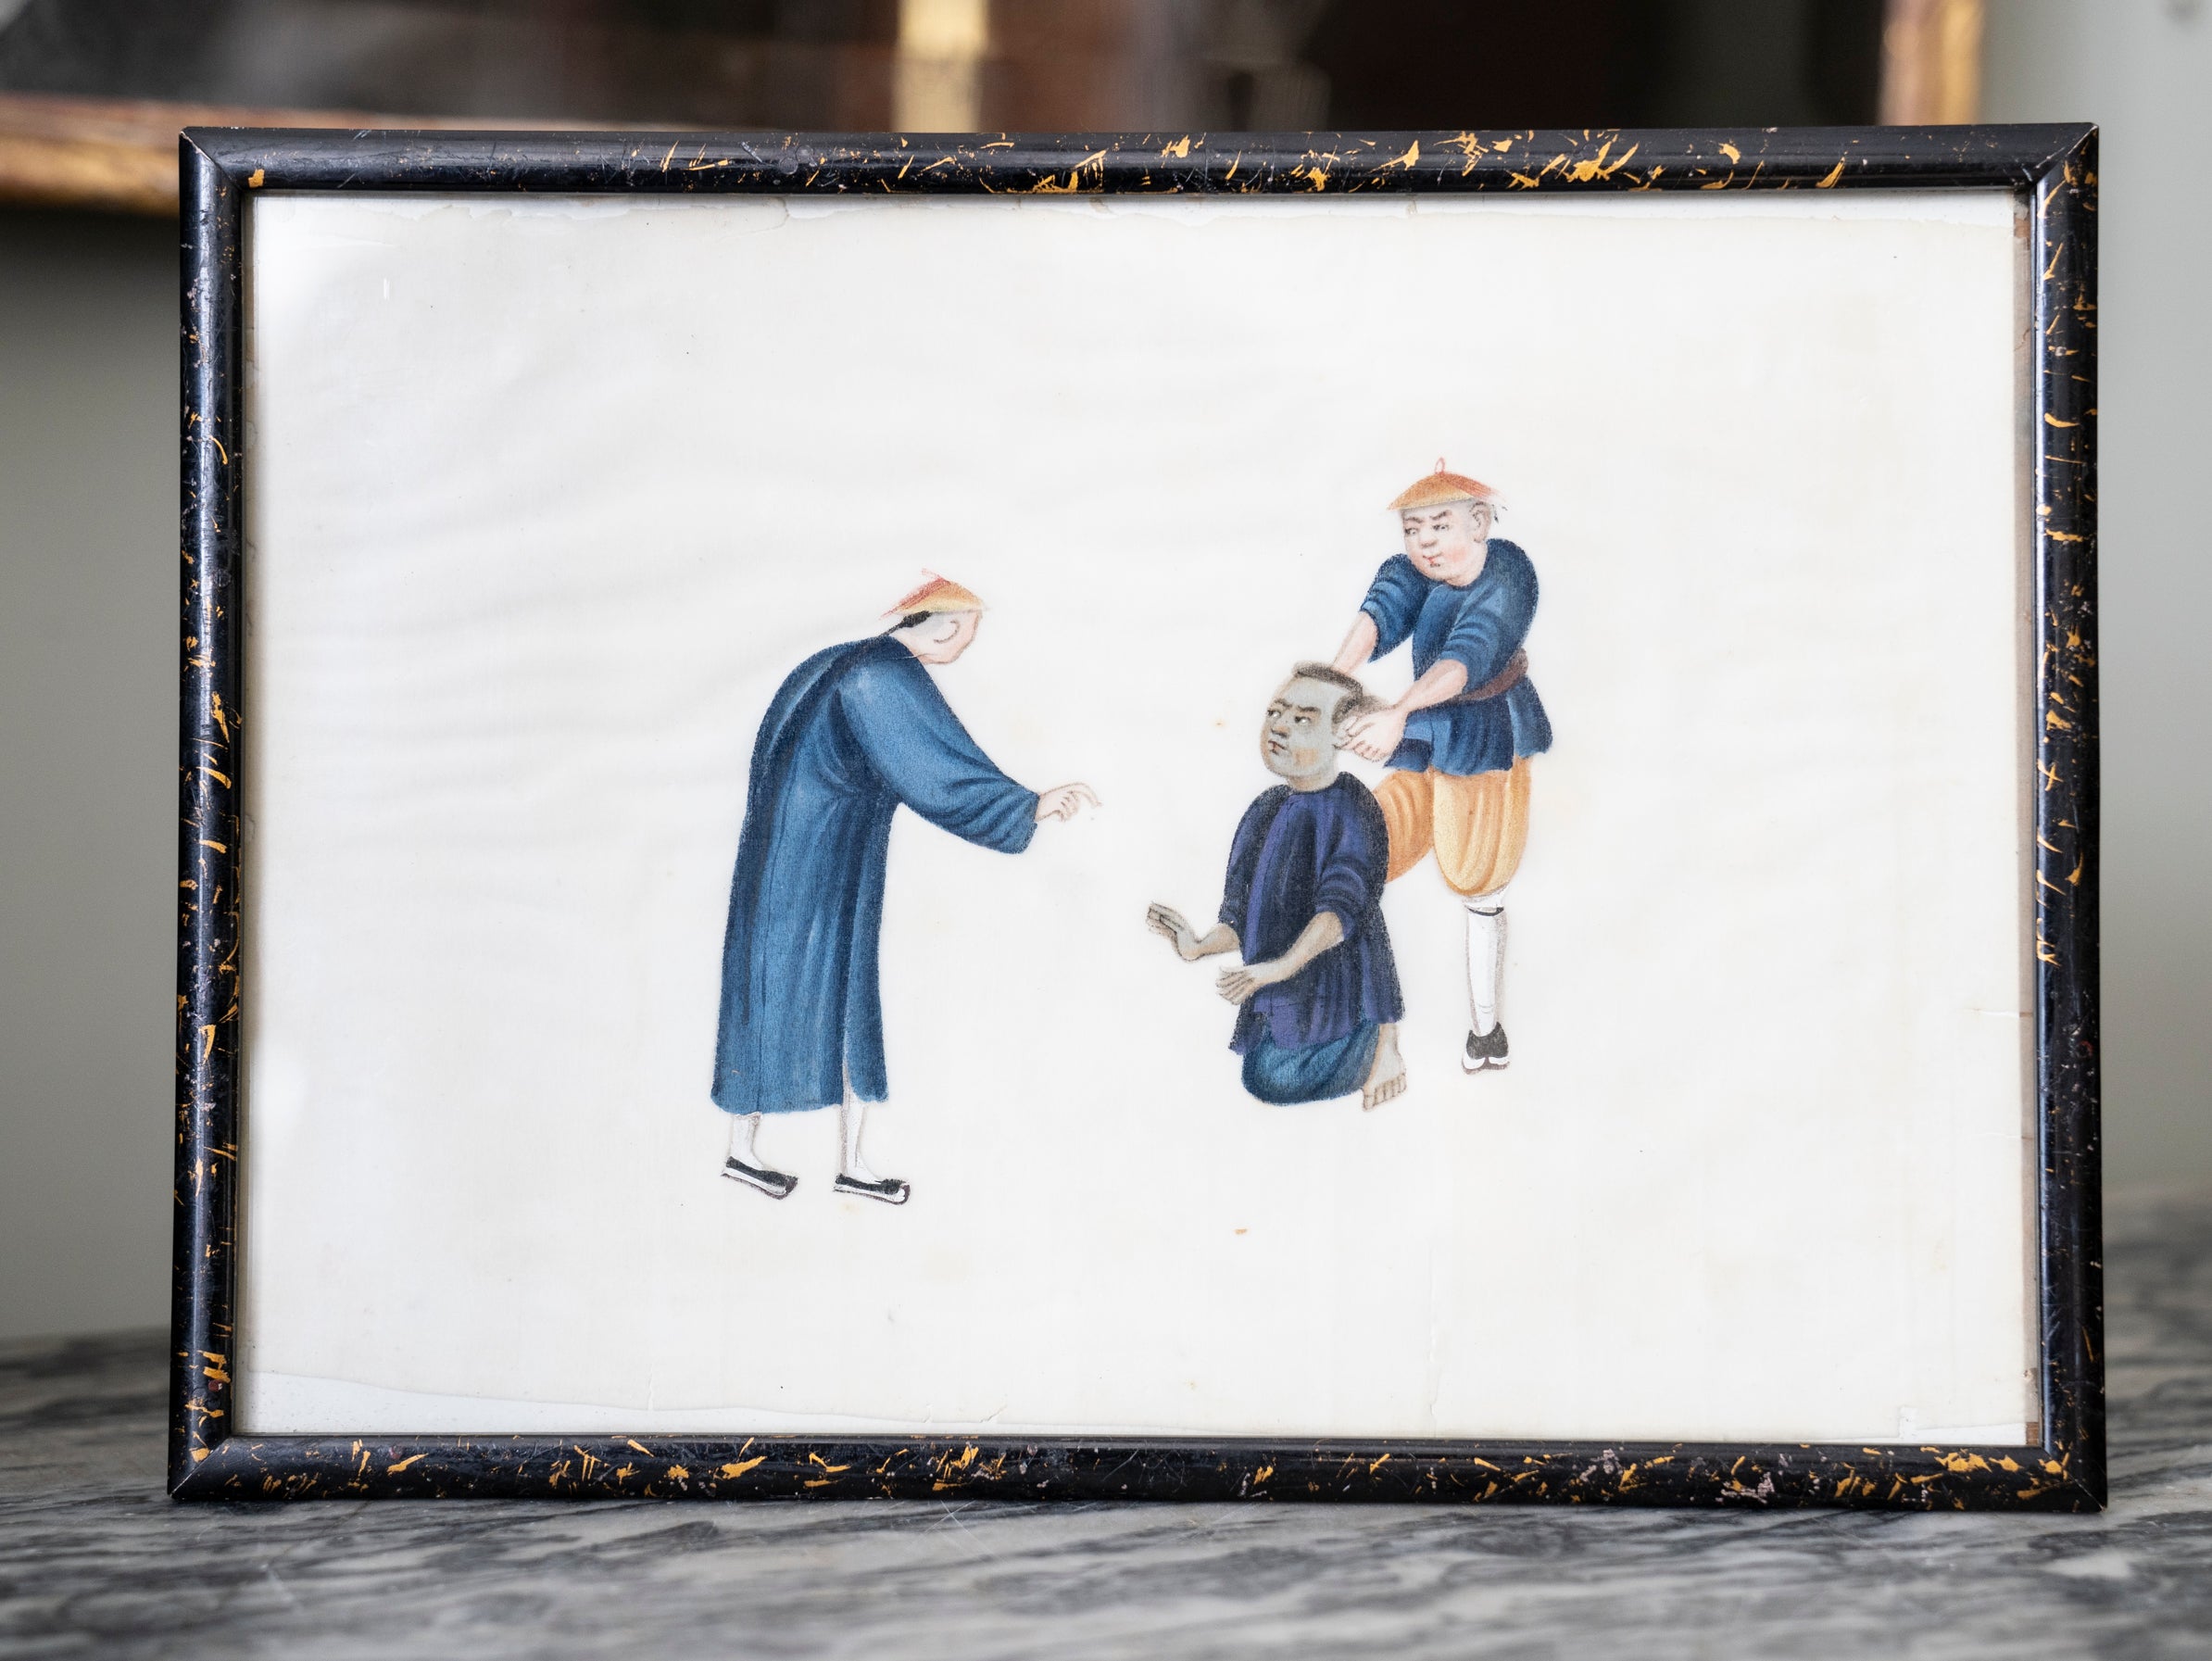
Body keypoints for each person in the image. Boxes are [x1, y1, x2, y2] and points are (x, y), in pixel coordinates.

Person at [711, 573, 1098, 1204]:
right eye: (968, 635)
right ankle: (838, 1162)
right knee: (831, 990)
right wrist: (1027, 805)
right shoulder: (882, 676)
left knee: (770, 984)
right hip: (823, 854)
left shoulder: (838, 660)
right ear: (946, 630)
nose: (966, 647)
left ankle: (755, 1152)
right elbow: (935, 769)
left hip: (792, 845)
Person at [1328, 461, 1552, 1073]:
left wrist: (1396, 713)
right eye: (1412, 528)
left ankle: (1487, 1030)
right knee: (1364, 849)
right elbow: (1381, 612)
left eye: (1439, 525)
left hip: (1486, 741)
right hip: (1425, 734)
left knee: (1478, 879)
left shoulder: (1508, 572)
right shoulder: (1412, 570)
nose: (1424, 541)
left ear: (1479, 523)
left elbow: (1468, 655)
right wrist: (1328, 684)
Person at [1148, 665, 1406, 1110]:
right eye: (1275, 713)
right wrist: (1199, 946)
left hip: (1334, 997)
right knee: (1261, 1074)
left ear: (1342, 735)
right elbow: (1239, 916)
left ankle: (1383, 1043)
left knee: (1272, 1079)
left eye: (1303, 720)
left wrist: (1277, 969)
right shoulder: (1265, 807)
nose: (1280, 727)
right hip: (1276, 993)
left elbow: (1340, 914)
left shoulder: (1353, 805)